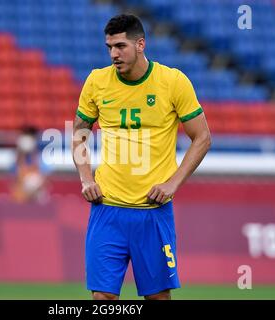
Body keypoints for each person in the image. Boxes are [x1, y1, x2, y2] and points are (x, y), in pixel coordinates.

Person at [71, 14, 211, 300]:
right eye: (109, 47)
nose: (113, 54)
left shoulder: (172, 82)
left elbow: (202, 137)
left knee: (157, 297)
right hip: (107, 210)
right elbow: (79, 132)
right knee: (103, 299)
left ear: (141, 44)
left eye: (120, 46)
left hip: (153, 213)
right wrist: (86, 178)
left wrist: (172, 184)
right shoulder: (97, 82)